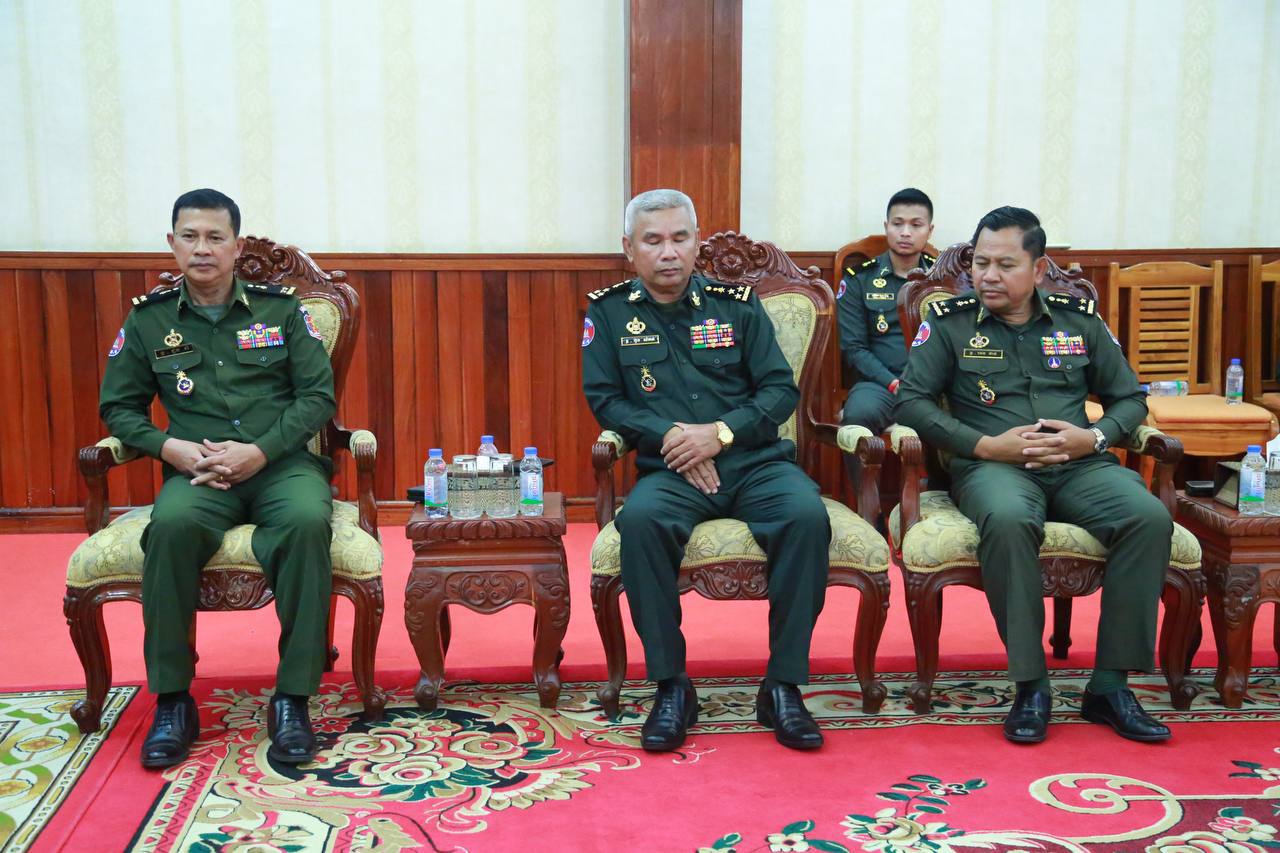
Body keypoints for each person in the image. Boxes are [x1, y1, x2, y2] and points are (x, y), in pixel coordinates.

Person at [894, 206, 1173, 744]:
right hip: (994, 467)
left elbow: (1129, 398)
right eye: (980, 263)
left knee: (1147, 516)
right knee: (1008, 520)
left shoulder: (1079, 320)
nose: (989, 276)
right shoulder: (950, 322)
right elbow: (910, 401)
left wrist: (1093, 438)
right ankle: (1031, 685)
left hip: (1079, 464)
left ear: (1039, 269)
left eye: (1005, 265)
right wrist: (983, 445)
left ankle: (1110, 687)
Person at [582, 189, 830, 751]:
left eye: (679, 238)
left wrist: (719, 435)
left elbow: (779, 391)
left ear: (697, 242)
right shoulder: (609, 312)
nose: (668, 252)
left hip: (755, 462)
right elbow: (606, 400)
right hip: (672, 470)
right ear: (629, 248)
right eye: (653, 241)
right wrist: (674, 437)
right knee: (639, 522)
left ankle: (783, 686)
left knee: (805, 516)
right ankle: (672, 686)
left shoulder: (736, 304)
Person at [99, 188, 337, 768]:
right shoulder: (149, 319)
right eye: (190, 237)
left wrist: (261, 450)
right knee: (171, 527)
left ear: (236, 245)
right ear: (172, 243)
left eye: (214, 237)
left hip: (280, 467)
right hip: (198, 473)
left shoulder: (282, 312)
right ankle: (173, 702)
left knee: (307, 522)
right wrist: (171, 449)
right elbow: (119, 408)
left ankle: (293, 699)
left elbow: (317, 397)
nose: (201, 248)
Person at [837, 188, 936, 485]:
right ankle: (868, 505)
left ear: (929, 230)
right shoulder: (859, 279)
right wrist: (893, 383)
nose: (905, 232)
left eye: (916, 225)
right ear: (886, 226)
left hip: (933, 384)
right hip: (881, 384)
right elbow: (853, 348)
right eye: (897, 223)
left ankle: (941, 492)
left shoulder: (943, 280)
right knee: (857, 415)